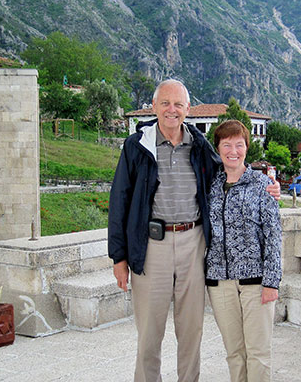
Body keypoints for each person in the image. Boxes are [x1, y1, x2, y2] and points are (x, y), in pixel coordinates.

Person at [108, 80, 279, 382]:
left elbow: (231, 165)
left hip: (193, 244)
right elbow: (119, 199)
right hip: (151, 247)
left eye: (178, 105)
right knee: (149, 332)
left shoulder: (200, 146)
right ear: (155, 107)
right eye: (165, 103)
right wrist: (118, 257)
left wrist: (265, 183)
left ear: (188, 109)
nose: (172, 110)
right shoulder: (136, 147)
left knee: (191, 331)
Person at [206, 120, 282, 382]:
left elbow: (273, 237)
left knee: (258, 352)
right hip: (219, 283)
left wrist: (272, 282)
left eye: (239, 144)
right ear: (217, 148)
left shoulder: (262, 185)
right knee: (233, 352)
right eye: (226, 144)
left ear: (247, 148)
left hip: (256, 284)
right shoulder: (210, 186)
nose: (233, 151)